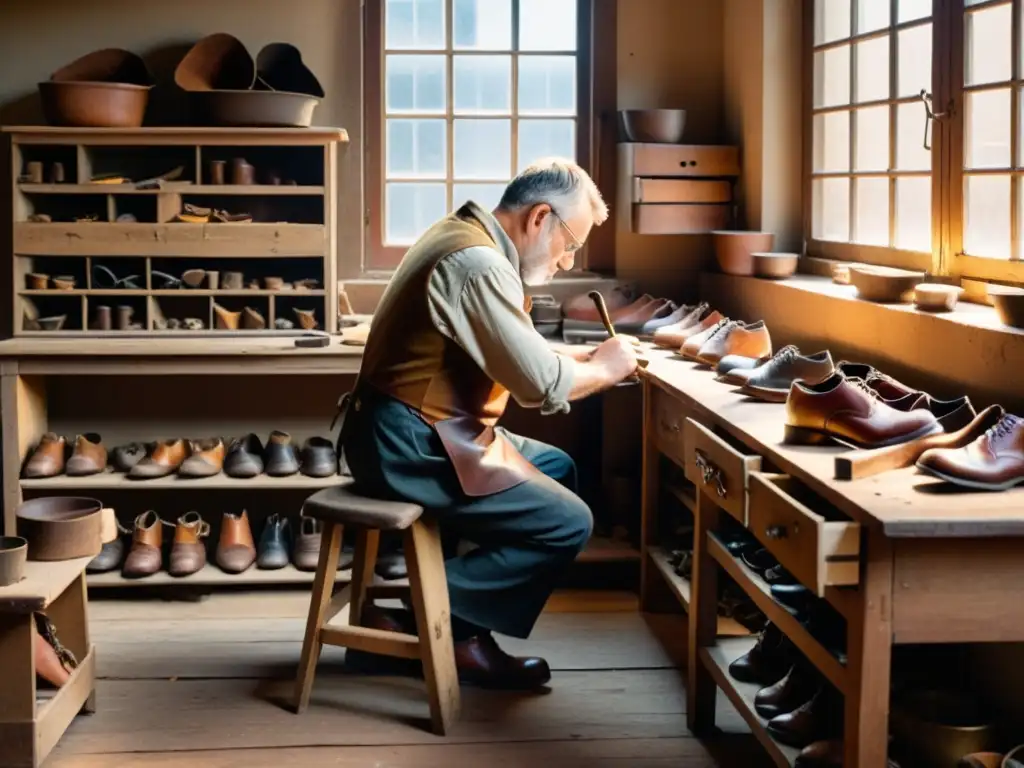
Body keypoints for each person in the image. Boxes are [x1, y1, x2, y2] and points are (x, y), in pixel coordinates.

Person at [337, 158, 639, 689]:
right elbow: (539, 385)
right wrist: (609, 369)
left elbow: (510, 353)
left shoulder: (462, 233)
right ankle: (426, 618)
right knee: (568, 522)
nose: (568, 262)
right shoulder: (478, 264)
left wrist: (586, 364)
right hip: (408, 441)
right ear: (540, 217)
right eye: (570, 243)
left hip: (417, 428)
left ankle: (444, 625)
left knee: (557, 466)